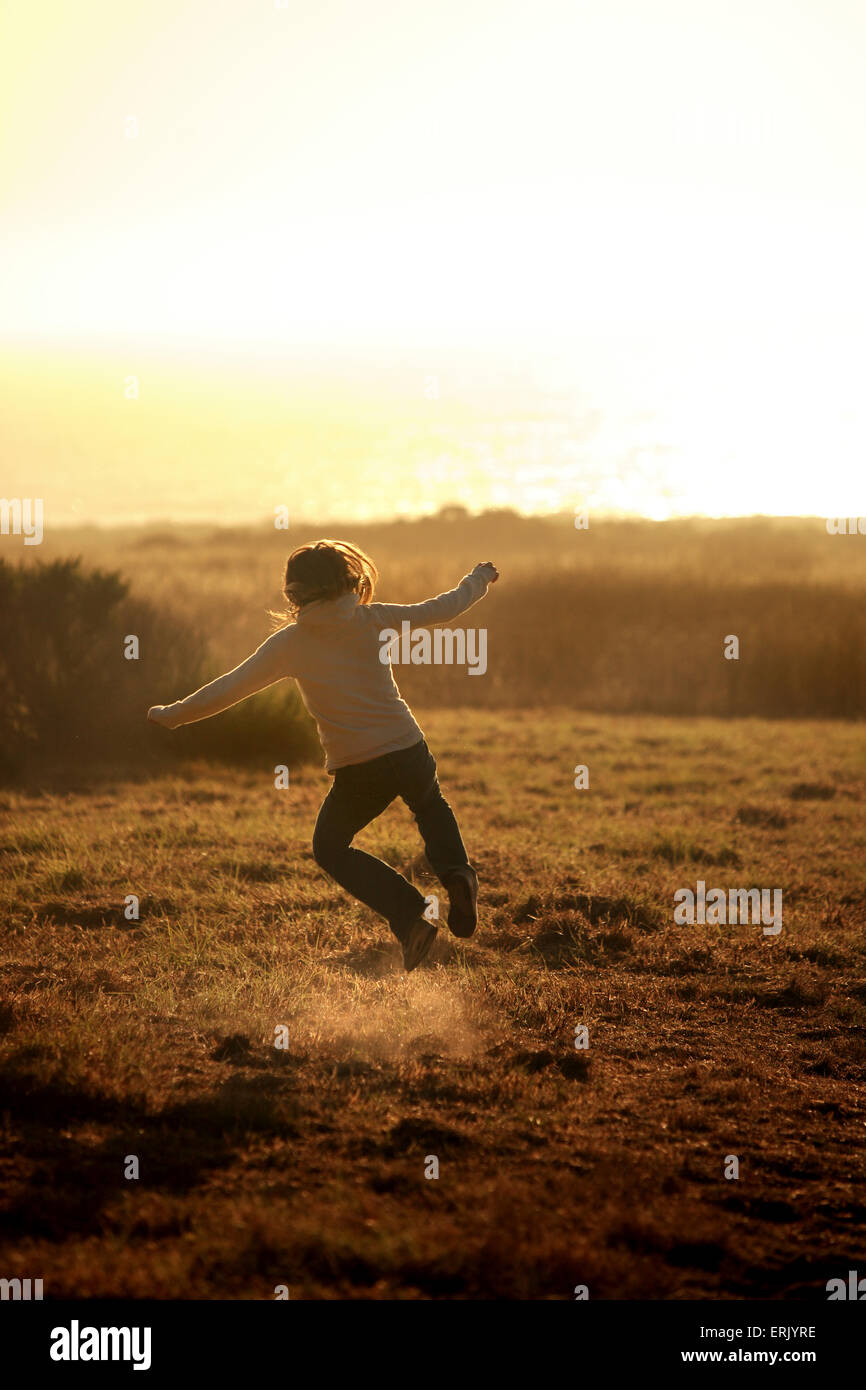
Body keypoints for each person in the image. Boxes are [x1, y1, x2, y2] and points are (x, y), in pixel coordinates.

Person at [147, 540, 499, 970]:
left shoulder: (290, 644)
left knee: (331, 848)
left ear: (294, 593)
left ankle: (412, 918)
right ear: (349, 578)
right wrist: (478, 579)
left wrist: (175, 715)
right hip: (408, 747)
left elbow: (230, 688)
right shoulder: (375, 618)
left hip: (359, 766)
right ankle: (458, 875)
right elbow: (443, 607)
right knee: (430, 804)